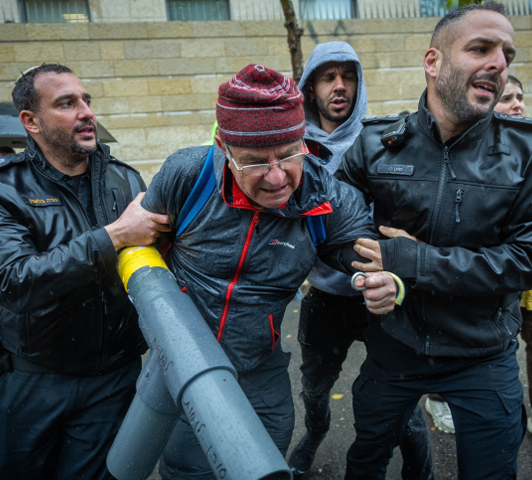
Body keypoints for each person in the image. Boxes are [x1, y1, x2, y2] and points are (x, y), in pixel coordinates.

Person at [336, 3, 532, 478]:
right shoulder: (374, 143)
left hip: (482, 356)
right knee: (365, 461)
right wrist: (368, 272)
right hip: (393, 347)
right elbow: (339, 230)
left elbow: (530, 259)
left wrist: (412, 259)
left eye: (506, 54)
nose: (498, 64)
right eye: (480, 48)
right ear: (433, 62)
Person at [140, 64, 397, 480]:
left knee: (266, 464)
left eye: (290, 153)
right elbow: (139, 250)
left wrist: (388, 279)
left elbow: (367, 255)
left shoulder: (324, 194)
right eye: (255, 161)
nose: (278, 177)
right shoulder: (188, 176)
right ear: (224, 147)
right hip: (181, 366)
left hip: (262, 368)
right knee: (189, 469)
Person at [0, 63, 167, 479]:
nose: (86, 112)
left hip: (113, 380)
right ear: (31, 121)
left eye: (87, 100)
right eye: (66, 103)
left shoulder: (126, 182)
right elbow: (11, 281)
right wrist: (113, 236)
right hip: (33, 381)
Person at [288, 41, 432, 480]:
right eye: (327, 76)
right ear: (309, 88)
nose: (339, 85)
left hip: (384, 296)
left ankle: (419, 466)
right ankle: (315, 432)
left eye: (347, 75)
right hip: (326, 296)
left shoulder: (386, 140)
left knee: (401, 399)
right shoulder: (292, 148)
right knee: (314, 386)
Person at [425, 75, 532, 446]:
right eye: (507, 98)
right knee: (458, 340)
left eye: (520, 97)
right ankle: (437, 399)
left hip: (526, 276)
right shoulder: (465, 145)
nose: (518, 104)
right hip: (480, 273)